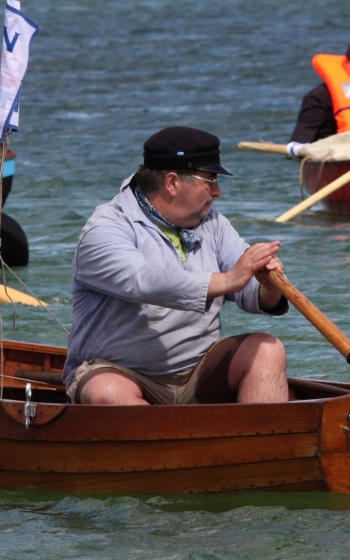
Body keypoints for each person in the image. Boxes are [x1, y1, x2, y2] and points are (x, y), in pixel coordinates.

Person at [62, 126, 290, 406]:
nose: (217, 191)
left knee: (269, 349)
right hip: (121, 372)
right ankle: (164, 448)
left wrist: (268, 286)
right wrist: (229, 279)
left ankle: (265, 446)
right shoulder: (105, 229)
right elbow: (146, 281)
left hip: (198, 372)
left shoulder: (212, 222)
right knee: (106, 391)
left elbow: (249, 290)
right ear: (172, 182)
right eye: (211, 179)